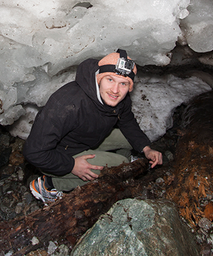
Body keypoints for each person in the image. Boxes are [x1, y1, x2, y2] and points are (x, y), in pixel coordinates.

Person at [23, 49, 163, 203]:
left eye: (123, 83)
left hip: (87, 139)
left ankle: (119, 158)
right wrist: (72, 165)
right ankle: (48, 185)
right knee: (120, 168)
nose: (115, 90)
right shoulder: (67, 105)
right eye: (110, 80)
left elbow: (127, 121)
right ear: (99, 78)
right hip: (58, 155)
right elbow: (34, 152)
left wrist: (146, 148)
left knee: (131, 140)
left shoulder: (119, 99)